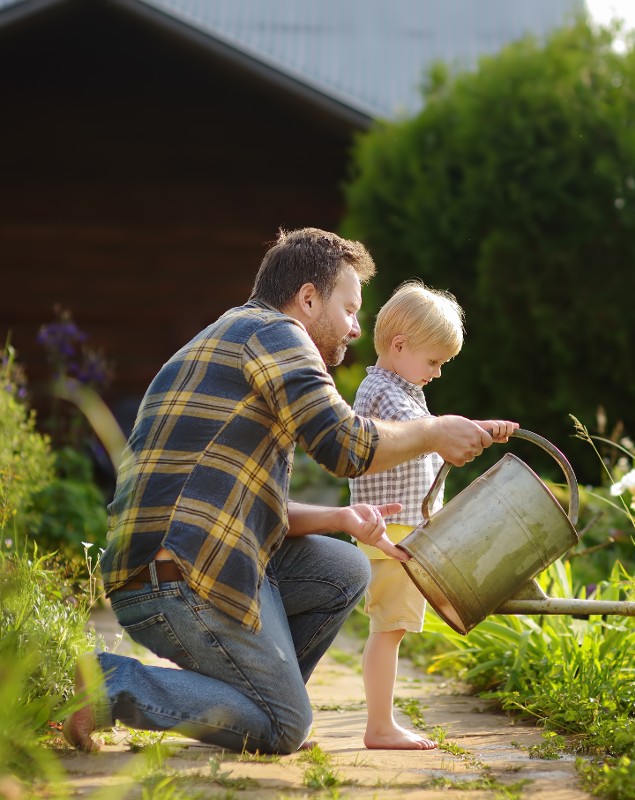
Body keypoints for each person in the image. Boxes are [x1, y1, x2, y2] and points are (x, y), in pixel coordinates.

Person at [63, 227, 517, 755]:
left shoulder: (231, 335)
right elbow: (343, 445)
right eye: (349, 310)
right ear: (307, 298)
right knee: (285, 728)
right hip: (176, 579)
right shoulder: (279, 334)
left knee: (345, 567)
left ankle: (252, 704)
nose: (354, 328)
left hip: (182, 564)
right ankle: (110, 683)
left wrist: (342, 520)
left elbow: (249, 506)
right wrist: (435, 432)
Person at [349, 281, 515, 750]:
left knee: (393, 627)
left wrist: (477, 430)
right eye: (434, 362)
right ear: (399, 346)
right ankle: (379, 726)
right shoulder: (383, 393)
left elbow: (431, 439)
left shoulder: (397, 388)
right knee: (389, 629)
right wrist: (464, 430)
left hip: (402, 529)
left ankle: (382, 721)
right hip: (394, 532)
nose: (438, 373)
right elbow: (424, 436)